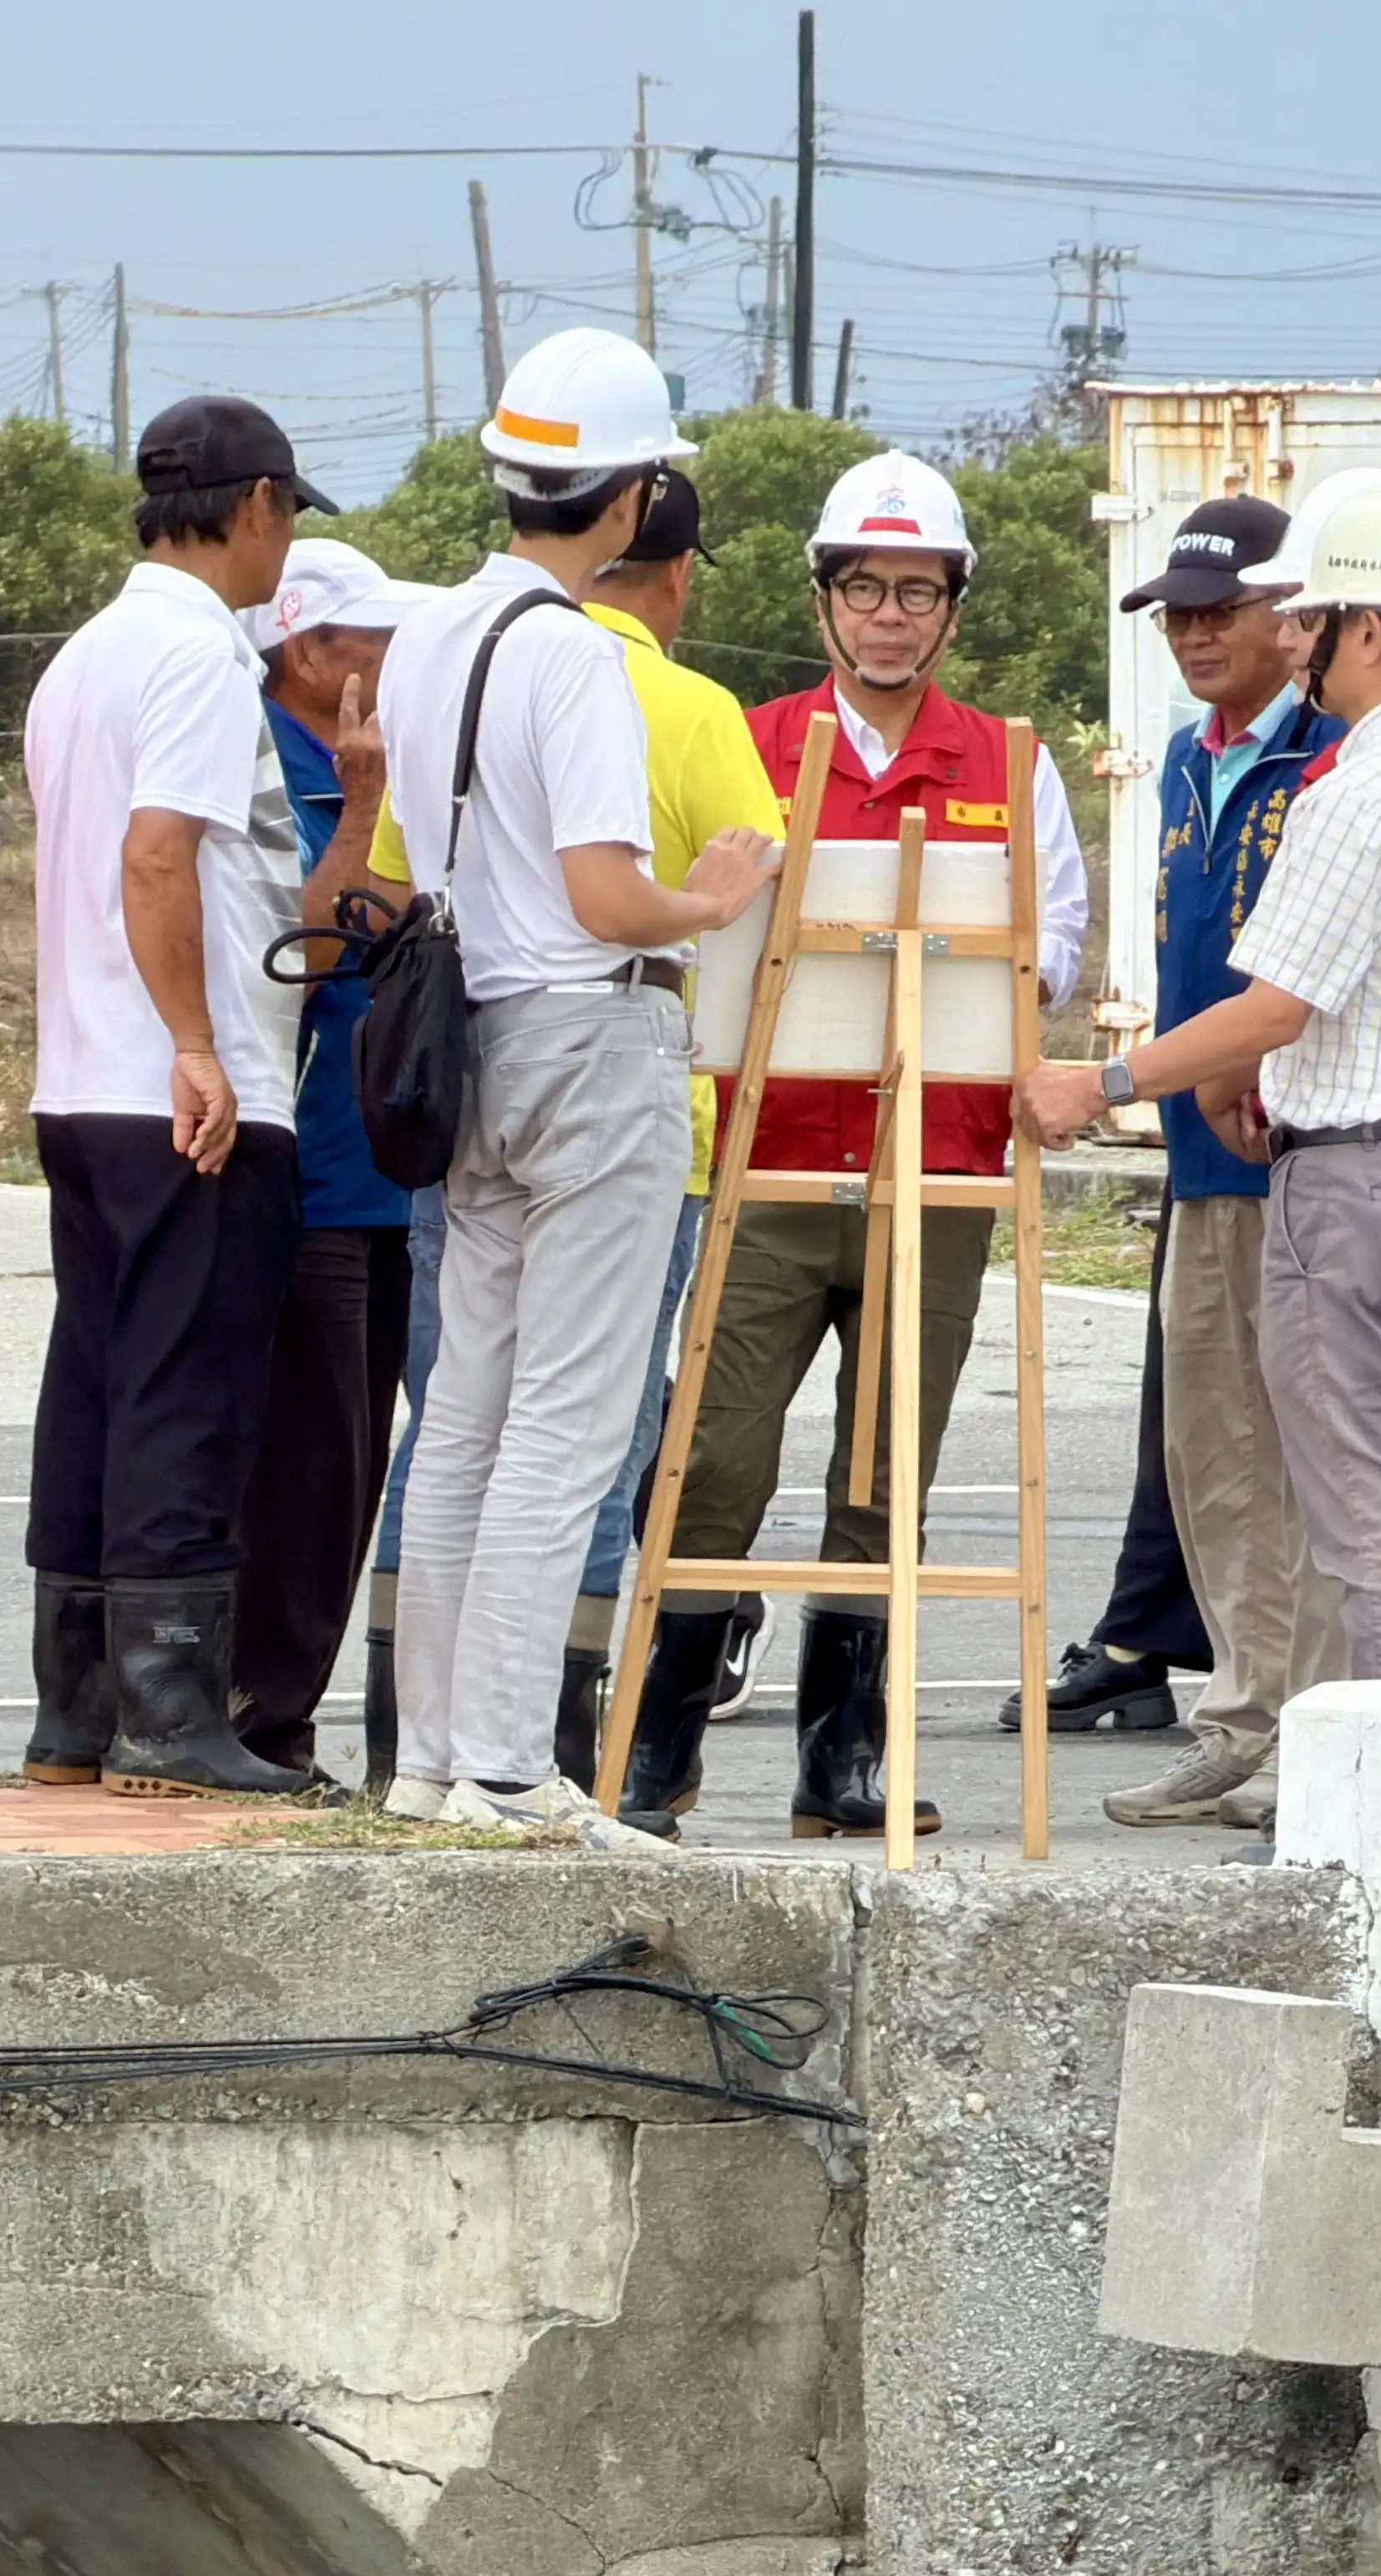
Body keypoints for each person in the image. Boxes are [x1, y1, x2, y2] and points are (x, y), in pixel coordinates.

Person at [1022, 470, 1381, 1690]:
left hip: (1359, 1181)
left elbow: (1273, 1006)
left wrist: (1100, 1083)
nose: (1297, 643)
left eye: (1308, 622)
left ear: (1367, 628)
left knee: (1367, 1512)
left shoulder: (1361, 790)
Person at [374, 327, 779, 1842]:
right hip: (590, 1038)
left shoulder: (427, 635)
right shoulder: (582, 658)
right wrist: (715, 893)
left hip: (469, 1036)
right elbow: (611, 894)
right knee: (570, 1414)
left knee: (467, 1407)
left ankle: (431, 1763)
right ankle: (504, 1763)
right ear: (625, 502)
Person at [682, 451, 1094, 1841]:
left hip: (941, 1170)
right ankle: (659, 1748)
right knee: (714, 1459)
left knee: (881, 1477)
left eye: (917, 590)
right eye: (864, 586)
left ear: (952, 609)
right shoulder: (743, 742)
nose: (890, 616)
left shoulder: (1009, 764)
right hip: (770, 1161)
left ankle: (840, 1758)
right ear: (823, 599)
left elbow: (1054, 949)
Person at [19, 390, 330, 1801]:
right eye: (285, 521)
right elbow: (161, 857)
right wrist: (199, 1044)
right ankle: (170, 1710)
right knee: (186, 1391)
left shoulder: (85, 654)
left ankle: (76, 1706)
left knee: (94, 1381)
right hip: (184, 1088)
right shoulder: (201, 658)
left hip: (80, 1080)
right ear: (257, 504)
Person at [1089, 493, 1335, 1832]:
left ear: (1288, 614)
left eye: (1217, 610)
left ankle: (1312, 1733)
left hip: (1297, 1150)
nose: (1192, 634)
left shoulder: (1335, 752)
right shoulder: (1190, 756)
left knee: (1305, 1459)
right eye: (1175, 614)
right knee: (1209, 1453)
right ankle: (1238, 1719)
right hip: (1199, 1152)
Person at [558, 467, 792, 1829]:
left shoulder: (469, 674)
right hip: (648, 1102)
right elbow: (766, 901)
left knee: (469, 1425)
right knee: (610, 1429)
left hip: (470, 1094)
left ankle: (440, 1730)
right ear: (681, 573)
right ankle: (585, 1738)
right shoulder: (691, 709)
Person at [250, 537, 434, 1787]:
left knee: (361, 1457)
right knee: (309, 1463)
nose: (398, 660)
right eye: (377, 639)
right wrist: (362, 810)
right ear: (312, 652)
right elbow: (307, 949)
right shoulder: (281, 766)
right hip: (314, 1172)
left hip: (392, 1173)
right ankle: (265, 1717)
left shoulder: (369, 760)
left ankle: (294, 1720)